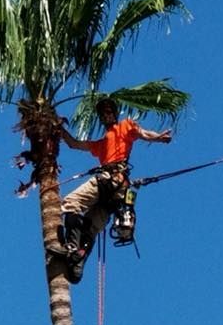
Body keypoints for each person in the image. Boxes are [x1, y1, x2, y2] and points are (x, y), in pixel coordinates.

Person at [58, 98, 172, 283]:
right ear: (101, 117)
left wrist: (158, 137)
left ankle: (71, 247)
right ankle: (78, 260)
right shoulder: (101, 144)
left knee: (70, 203)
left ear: (115, 113)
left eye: (109, 111)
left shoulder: (125, 126)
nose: (107, 114)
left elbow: (143, 133)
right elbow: (74, 144)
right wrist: (58, 128)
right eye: (103, 113)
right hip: (116, 192)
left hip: (111, 181)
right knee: (91, 227)